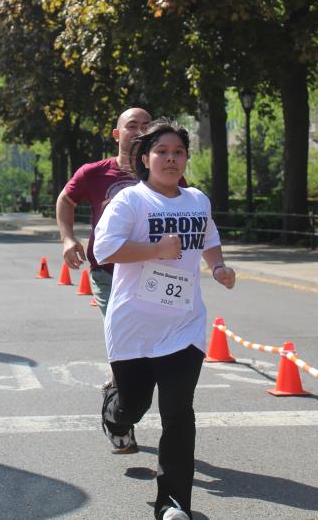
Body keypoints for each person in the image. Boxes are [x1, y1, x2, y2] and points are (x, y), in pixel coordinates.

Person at [93, 118, 236, 520]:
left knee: (178, 413)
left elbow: (208, 240)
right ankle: (115, 413)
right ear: (145, 158)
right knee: (134, 406)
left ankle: (173, 504)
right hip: (134, 327)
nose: (171, 159)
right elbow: (104, 250)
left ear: (186, 159)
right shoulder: (130, 201)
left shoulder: (197, 200)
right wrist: (156, 249)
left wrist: (219, 266)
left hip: (183, 327)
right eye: (162, 152)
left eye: (178, 153)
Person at [57, 107, 153, 317]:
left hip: (153, 272)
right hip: (108, 272)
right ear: (116, 134)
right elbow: (65, 200)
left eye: (146, 127)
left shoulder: (165, 174)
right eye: (132, 126)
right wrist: (68, 239)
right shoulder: (93, 173)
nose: (139, 132)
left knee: (153, 332)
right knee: (123, 329)